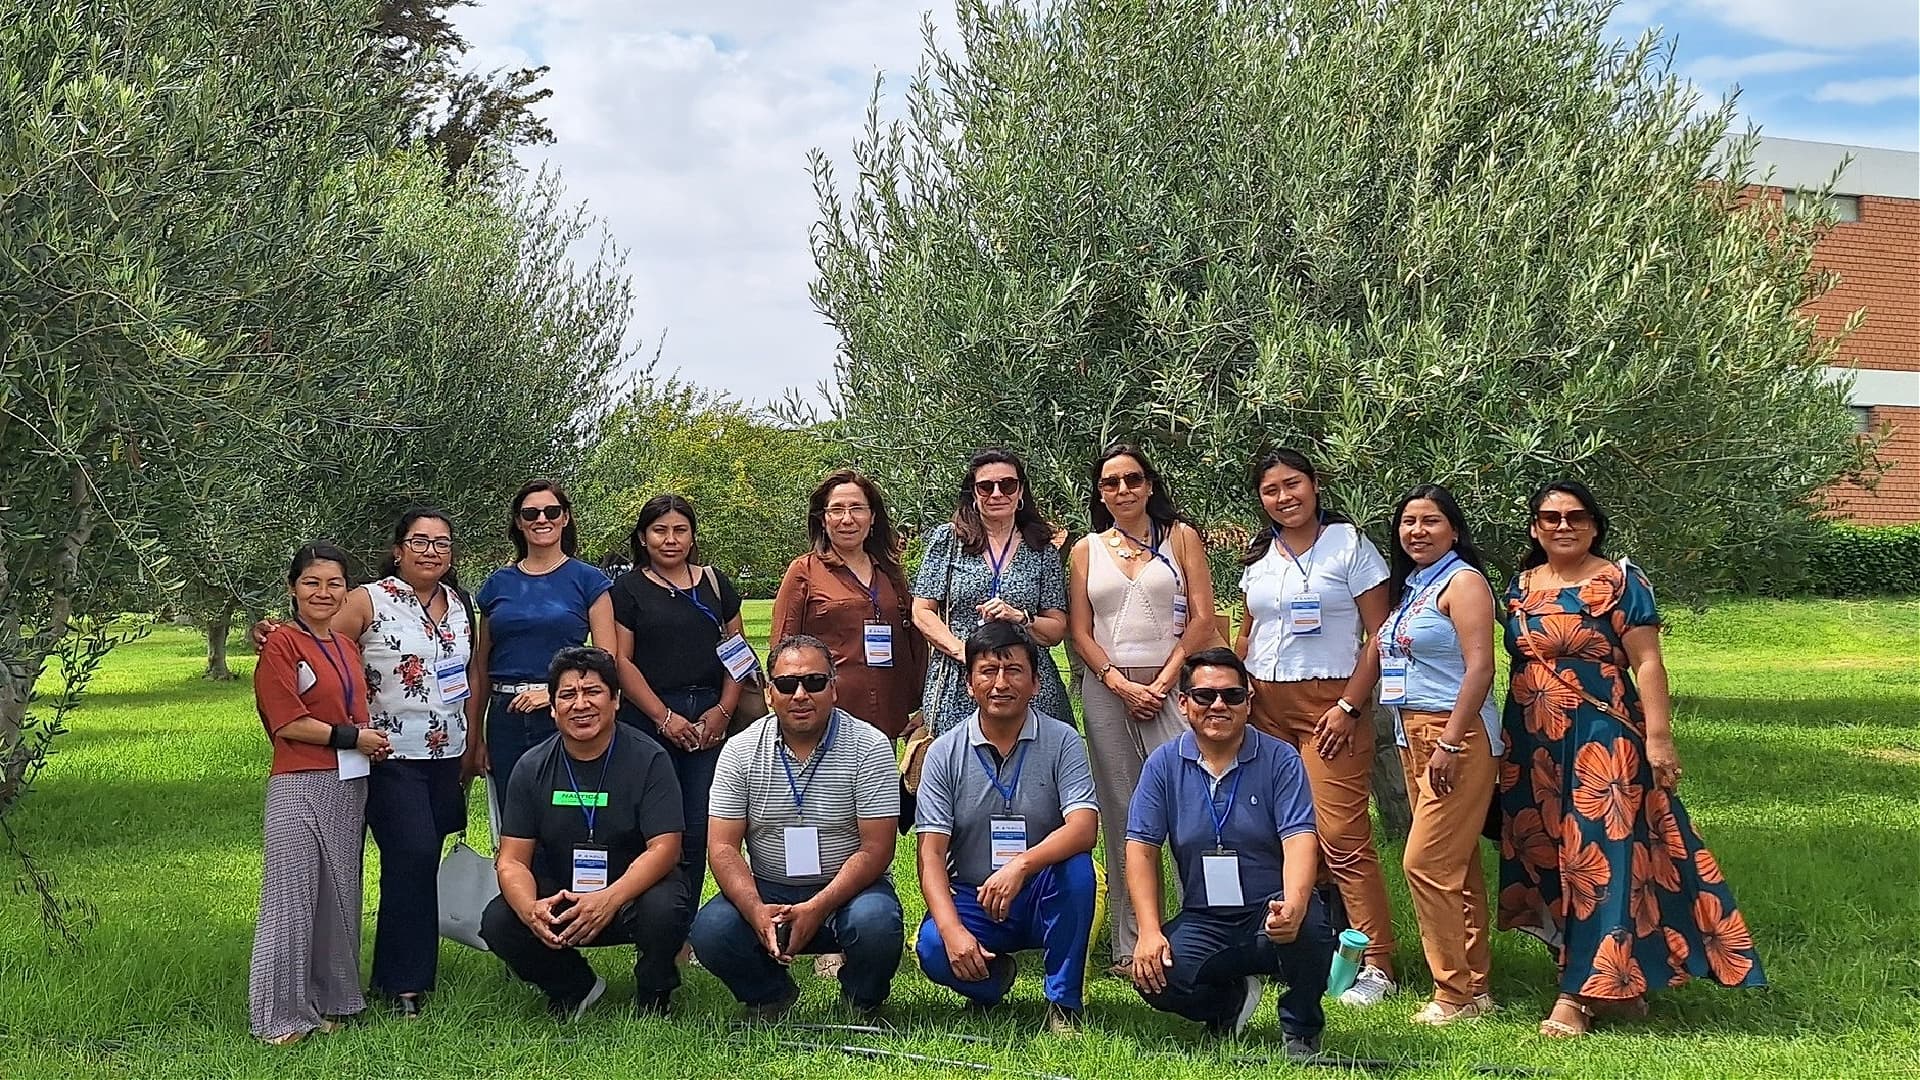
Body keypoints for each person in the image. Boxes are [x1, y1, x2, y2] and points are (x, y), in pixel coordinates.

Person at [1498, 481, 1765, 1037]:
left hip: (1605, 742)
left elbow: (1647, 664)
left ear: (1595, 525)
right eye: (1550, 517)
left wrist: (1660, 737)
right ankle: (1617, 981)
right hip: (1533, 746)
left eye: (1575, 516)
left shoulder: (1620, 581)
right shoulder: (1520, 587)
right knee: (1549, 857)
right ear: (1534, 527)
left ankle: (1577, 996)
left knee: (1601, 861)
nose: (1563, 525)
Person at [1234, 448, 1398, 1005]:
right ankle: (1311, 946)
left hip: (1332, 707)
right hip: (1264, 709)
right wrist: (1236, 689)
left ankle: (1377, 962)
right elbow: (1249, 631)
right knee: (1283, 835)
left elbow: (1381, 634)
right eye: (1271, 489)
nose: (1284, 497)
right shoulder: (1260, 557)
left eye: (1292, 484)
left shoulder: (1349, 545)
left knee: (1342, 836)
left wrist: (1352, 706)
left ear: (1315, 484)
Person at [1125, 648, 1335, 1057]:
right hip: (1205, 917)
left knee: (1311, 924)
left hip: (1268, 911)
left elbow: (1299, 840)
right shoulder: (1163, 764)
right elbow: (1141, 849)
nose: (1218, 705)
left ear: (1248, 702)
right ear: (1183, 703)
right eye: (1204, 696)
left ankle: (1301, 1028)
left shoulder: (1281, 759)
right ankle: (1228, 1003)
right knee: (1154, 977)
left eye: (1232, 696)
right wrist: (1148, 931)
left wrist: (1292, 905)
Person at [689, 635, 904, 1018]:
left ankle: (861, 999)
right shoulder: (739, 751)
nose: (800, 694)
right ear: (770, 694)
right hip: (770, 886)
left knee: (877, 924)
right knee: (711, 930)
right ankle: (770, 994)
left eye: (815, 682)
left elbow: (877, 849)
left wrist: (818, 907)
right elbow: (722, 848)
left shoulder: (869, 747)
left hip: (849, 890)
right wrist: (756, 910)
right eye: (787, 685)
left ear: (834, 689)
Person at [1067, 443, 1217, 976]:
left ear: (1150, 484)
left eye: (1132, 479)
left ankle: (1203, 926)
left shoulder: (1181, 538)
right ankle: (1129, 943)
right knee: (1121, 807)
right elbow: (1078, 631)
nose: (1123, 490)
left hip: (1173, 685)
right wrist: (1115, 681)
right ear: (1100, 493)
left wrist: (1163, 680)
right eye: (1111, 483)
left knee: (1190, 802)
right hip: (1107, 689)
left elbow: (1203, 617)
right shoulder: (1086, 549)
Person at [480, 647, 693, 1019]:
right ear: (552, 707)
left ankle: (654, 988)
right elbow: (512, 860)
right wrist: (530, 909)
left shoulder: (649, 759)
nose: (581, 705)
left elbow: (666, 848)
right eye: (567, 695)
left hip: (630, 893)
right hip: (563, 894)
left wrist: (609, 899)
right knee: (499, 921)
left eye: (593, 692)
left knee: (667, 904)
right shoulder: (531, 767)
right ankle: (573, 986)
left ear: (616, 701)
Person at [912, 621, 1099, 1033]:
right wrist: (951, 930)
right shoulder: (944, 752)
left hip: (1040, 888)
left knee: (1079, 871)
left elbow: (1084, 827)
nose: (1001, 683)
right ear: (969, 684)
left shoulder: (1063, 740)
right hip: (974, 894)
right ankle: (993, 982)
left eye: (1014, 670)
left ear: (1035, 683)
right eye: (988, 671)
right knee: (933, 946)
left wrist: (1021, 866)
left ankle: (1064, 1003)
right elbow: (930, 855)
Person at [1363, 485, 1503, 1024]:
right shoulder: (1415, 586)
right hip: (1411, 731)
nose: (1417, 531)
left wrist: (1449, 741)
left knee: (1423, 861)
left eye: (1430, 521)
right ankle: (1476, 984)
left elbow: (1481, 668)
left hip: (1456, 734)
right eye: (1408, 522)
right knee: (1457, 863)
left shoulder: (1463, 583)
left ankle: (1452, 994)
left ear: (1454, 530)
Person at [248, 543, 392, 1045]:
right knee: (291, 898)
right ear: (293, 589)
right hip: (299, 782)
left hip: (348, 784)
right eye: (312, 582)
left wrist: (365, 737)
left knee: (337, 895)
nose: (323, 592)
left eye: (334, 583)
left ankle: (328, 999)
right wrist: (355, 737)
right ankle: (277, 1019)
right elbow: (288, 721)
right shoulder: (282, 644)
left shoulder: (346, 646)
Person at [356, 508, 476, 1016]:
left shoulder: (461, 603)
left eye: (442, 543)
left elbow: (474, 674)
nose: (432, 551)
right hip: (389, 753)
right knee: (413, 856)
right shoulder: (367, 599)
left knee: (420, 861)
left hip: (447, 753)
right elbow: (319, 646)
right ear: (399, 548)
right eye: (420, 541)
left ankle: (401, 972)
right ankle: (404, 985)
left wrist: (476, 743)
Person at [609, 494, 748, 891]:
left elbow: (737, 654)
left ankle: (686, 926)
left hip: (709, 716)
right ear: (642, 536)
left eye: (680, 530)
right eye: (660, 531)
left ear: (692, 536)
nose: (670, 540)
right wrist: (663, 718)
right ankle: (655, 919)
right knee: (653, 825)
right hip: (649, 718)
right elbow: (622, 661)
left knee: (699, 825)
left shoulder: (716, 583)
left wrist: (723, 711)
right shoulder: (628, 589)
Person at [912, 449, 1070, 737]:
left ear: (1021, 490)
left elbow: (1057, 628)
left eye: (1007, 485)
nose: (997, 493)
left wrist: (1020, 617)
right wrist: (964, 653)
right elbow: (922, 610)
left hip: (1026, 681)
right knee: (960, 769)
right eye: (986, 486)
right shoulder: (948, 540)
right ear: (973, 493)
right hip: (959, 682)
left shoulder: (1042, 549)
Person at [469, 479, 616, 788]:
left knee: (564, 813)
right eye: (530, 514)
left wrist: (550, 694)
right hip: (504, 718)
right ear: (519, 523)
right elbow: (481, 667)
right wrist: (475, 738)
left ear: (565, 518)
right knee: (513, 819)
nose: (541, 519)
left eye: (551, 511)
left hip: (564, 713)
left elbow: (606, 659)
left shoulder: (589, 580)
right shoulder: (498, 584)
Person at [770, 470, 926, 741]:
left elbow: (916, 640)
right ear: (823, 518)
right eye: (837, 510)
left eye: (857, 509)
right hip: (826, 719)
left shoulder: (890, 573)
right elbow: (783, 647)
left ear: (873, 516)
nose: (847, 519)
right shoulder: (804, 571)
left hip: (887, 718)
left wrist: (925, 704)